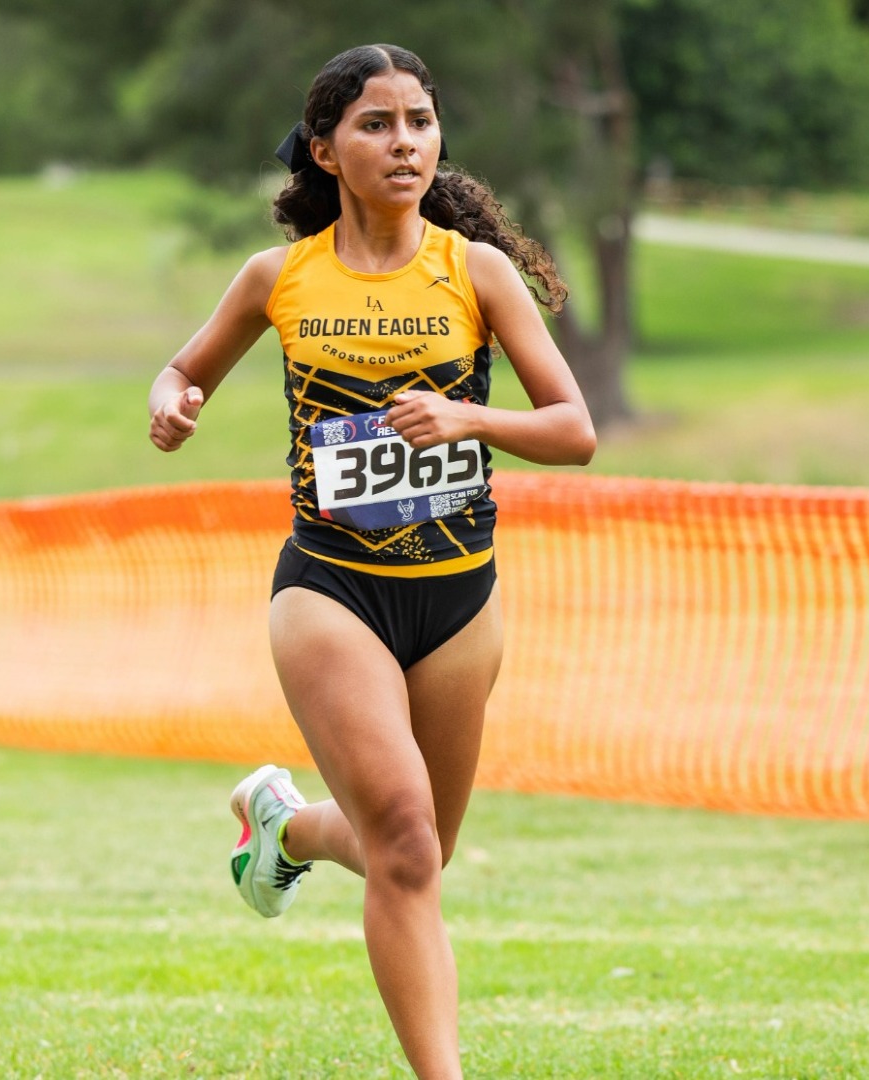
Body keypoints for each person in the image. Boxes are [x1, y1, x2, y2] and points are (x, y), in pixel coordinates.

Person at [146, 44, 595, 1078]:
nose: (405, 143)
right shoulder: (280, 277)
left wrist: (466, 416)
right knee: (401, 837)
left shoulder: (474, 272)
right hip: (331, 589)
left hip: (457, 600)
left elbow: (573, 429)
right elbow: (182, 369)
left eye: (421, 123)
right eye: (377, 124)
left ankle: (286, 828)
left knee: (418, 853)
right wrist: (173, 403)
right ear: (325, 149)